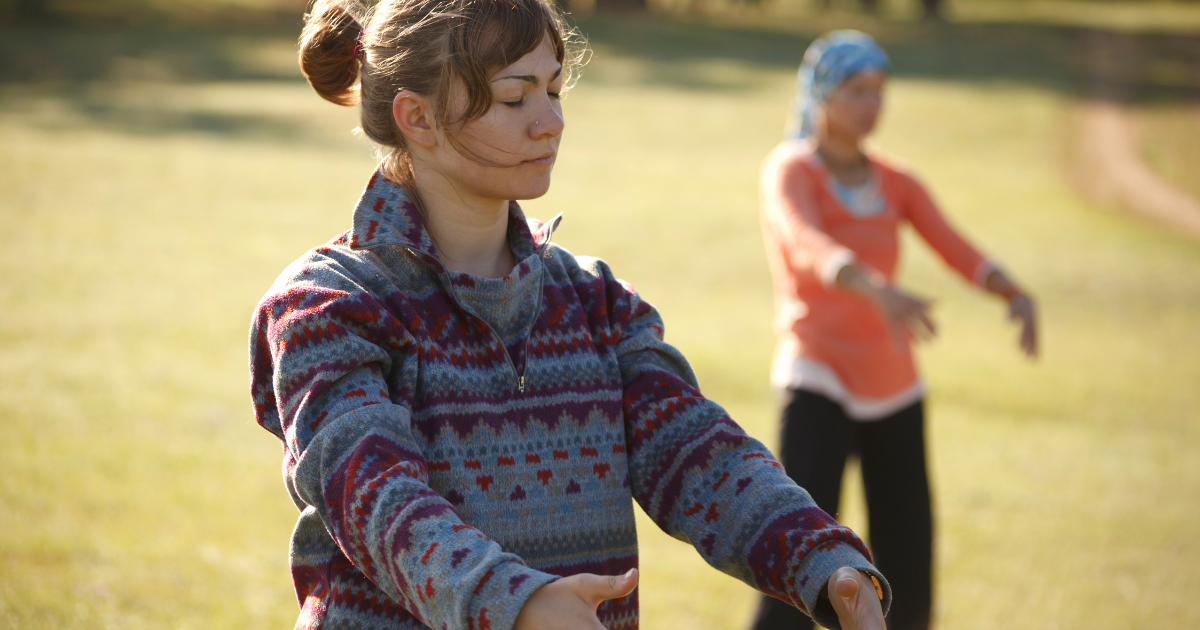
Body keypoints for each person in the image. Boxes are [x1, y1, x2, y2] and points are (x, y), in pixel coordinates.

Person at [249, 3, 893, 629]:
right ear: (418, 117)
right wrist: (513, 602)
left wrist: (820, 556)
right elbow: (371, 497)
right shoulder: (329, 306)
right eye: (515, 97)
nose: (550, 121)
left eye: (555, 90)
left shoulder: (594, 301)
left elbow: (699, 455)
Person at [751, 31, 1038, 630]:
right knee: (795, 549)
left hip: (894, 386)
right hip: (817, 376)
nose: (872, 104)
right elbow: (805, 242)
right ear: (823, 95)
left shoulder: (895, 179)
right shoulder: (791, 168)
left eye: (880, 91)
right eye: (857, 91)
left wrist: (1010, 289)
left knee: (906, 559)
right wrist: (871, 286)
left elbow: (951, 242)